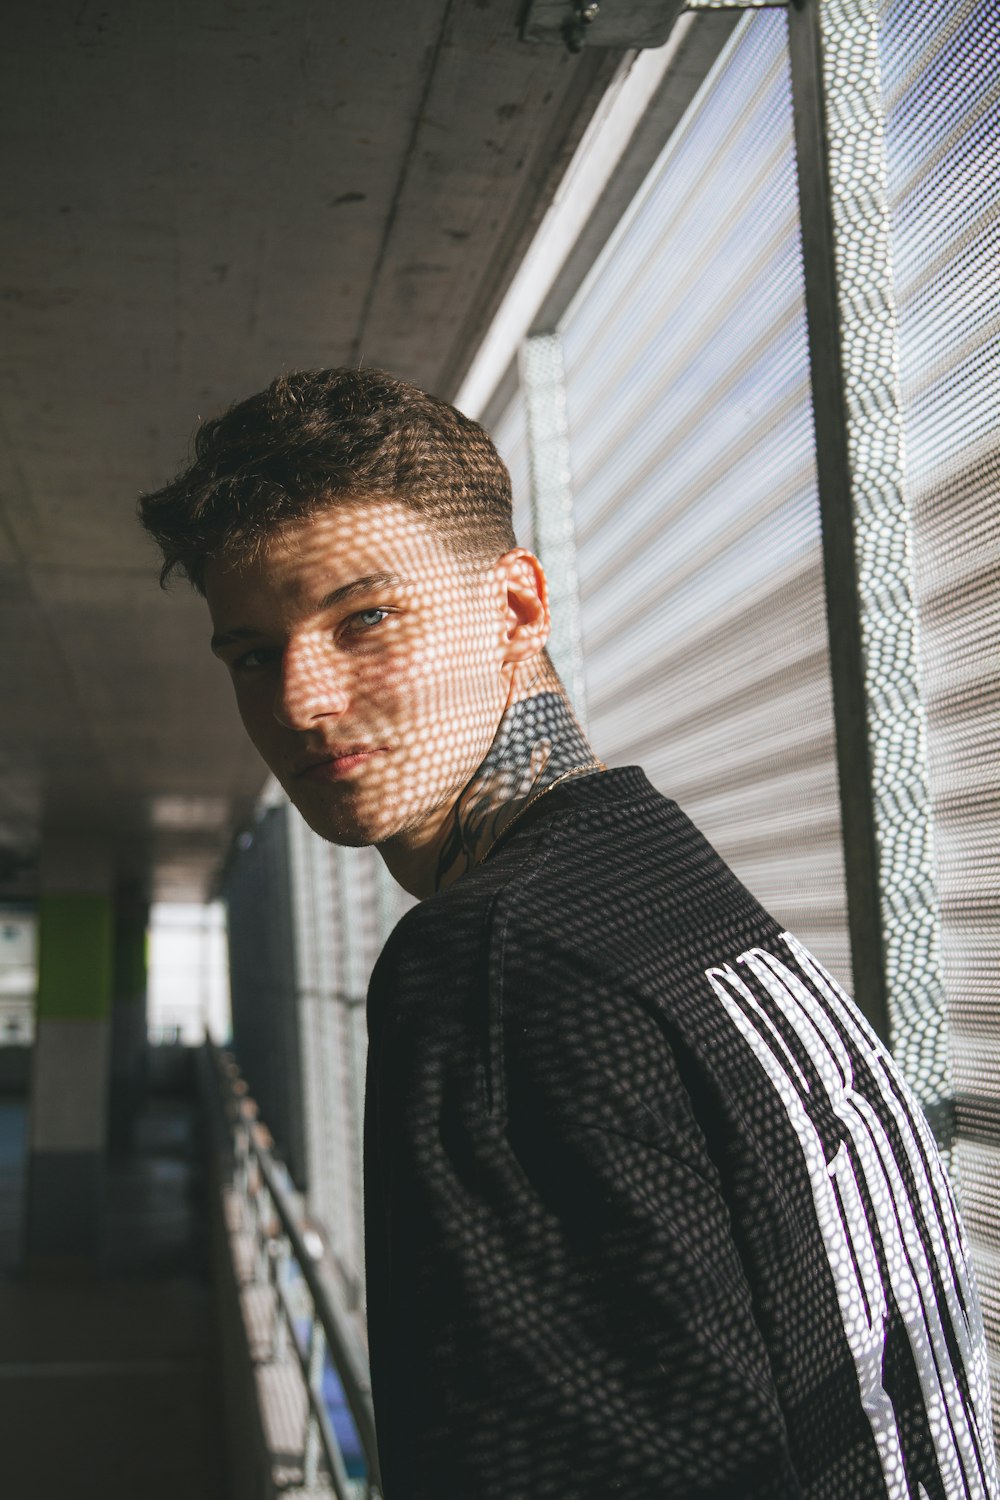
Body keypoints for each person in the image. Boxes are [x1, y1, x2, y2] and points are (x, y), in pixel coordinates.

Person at [139, 367, 997, 1499]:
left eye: (364, 620)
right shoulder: (671, 890)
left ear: (518, 606)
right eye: (253, 654)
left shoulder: (490, 963)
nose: (301, 700)